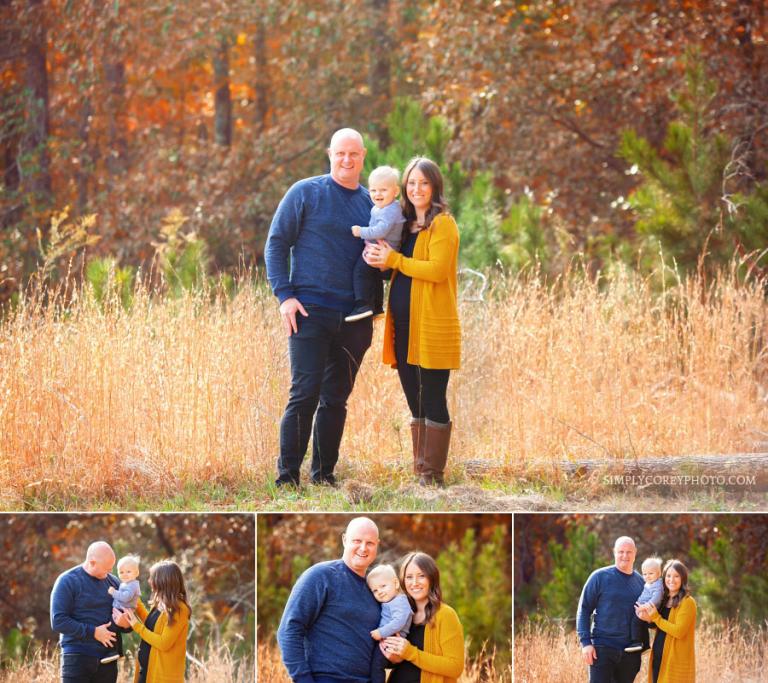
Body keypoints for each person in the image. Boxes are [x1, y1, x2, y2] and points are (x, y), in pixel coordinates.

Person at [265, 127, 374, 488]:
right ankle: (287, 478)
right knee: (304, 394)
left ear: (363, 156)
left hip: (354, 319)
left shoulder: (372, 205)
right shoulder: (306, 192)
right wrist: (285, 296)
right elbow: (277, 244)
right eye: (340, 153)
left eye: (353, 154)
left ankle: (324, 476)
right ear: (330, 154)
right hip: (308, 312)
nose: (346, 160)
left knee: (335, 400)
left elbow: (380, 261)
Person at [364, 157, 461, 486]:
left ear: (435, 187)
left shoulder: (442, 224)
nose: (416, 189)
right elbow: (397, 268)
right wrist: (381, 261)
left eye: (424, 183)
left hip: (432, 325)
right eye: (411, 183)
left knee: (433, 397)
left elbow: (435, 270)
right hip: (404, 326)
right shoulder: (405, 226)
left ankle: (433, 477)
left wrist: (395, 260)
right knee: (413, 397)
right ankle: (420, 471)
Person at [277, 517, 384, 683]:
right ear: (344, 540)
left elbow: (375, 649)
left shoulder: (376, 591)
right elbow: (289, 630)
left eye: (370, 543)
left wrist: (395, 657)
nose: (363, 548)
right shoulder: (321, 576)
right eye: (357, 541)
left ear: (377, 544)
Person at [50, 541, 132, 683]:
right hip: (77, 658)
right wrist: (93, 632)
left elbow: (126, 619)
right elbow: (58, 621)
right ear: (92, 562)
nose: (110, 573)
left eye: (111, 568)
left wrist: (126, 625)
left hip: (108, 660)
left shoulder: (115, 583)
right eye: (106, 569)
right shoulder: (67, 581)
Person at [380, 551, 464, 683]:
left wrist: (410, 653)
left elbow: (455, 667)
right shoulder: (401, 614)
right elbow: (399, 663)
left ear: (432, 578)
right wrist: (393, 658)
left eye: (421, 576)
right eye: (409, 577)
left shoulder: (446, 615)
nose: (414, 582)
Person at [576, 536, 647, 683]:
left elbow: (646, 618)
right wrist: (586, 643)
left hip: (630, 653)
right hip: (602, 649)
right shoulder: (599, 577)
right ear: (614, 552)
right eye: (621, 551)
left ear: (635, 553)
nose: (625, 556)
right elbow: (584, 610)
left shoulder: (641, 583)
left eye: (629, 552)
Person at [346, 165, 405, 322]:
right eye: (373, 190)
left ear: (396, 191)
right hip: (379, 249)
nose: (377, 194)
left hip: (382, 250)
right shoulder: (382, 208)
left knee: (360, 271)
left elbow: (381, 230)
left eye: (383, 190)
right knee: (373, 276)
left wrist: (361, 232)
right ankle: (377, 307)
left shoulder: (390, 210)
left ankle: (362, 305)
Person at [118, 560, 191, 683]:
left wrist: (136, 626)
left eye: (152, 578)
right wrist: (136, 602)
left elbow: (164, 643)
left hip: (162, 678)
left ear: (163, 581)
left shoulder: (179, 609)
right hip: (146, 672)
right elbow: (152, 626)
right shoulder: (161, 604)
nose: (149, 581)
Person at [636, 559, 696, 683]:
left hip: (675, 660)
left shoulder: (687, 602)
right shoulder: (664, 599)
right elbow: (661, 626)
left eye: (676, 576)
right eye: (668, 576)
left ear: (683, 578)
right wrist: (649, 620)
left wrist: (656, 618)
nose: (671, 580)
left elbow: (678, 631)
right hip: (659, 656)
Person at [102, 554, 142, 663]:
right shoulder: (126, 583)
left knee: (110, 628)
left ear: (136, 573)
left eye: (128, 572)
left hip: (123, 611)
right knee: (116, 631)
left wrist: (113, 592)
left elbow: (126, 597)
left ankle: (110, 652)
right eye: (121, 572)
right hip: (120, 609)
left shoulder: (133, 585)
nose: (124, 575)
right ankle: (118, 652)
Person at [626, 557, 664, 652]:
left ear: (659, 574)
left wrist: (645, 606)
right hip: (643, 607)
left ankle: (636, 642)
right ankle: (646, 645)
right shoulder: (649, 583)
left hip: (649, 608)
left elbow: (657, 598)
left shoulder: (658, 585)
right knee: (642, 625)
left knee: (635, 622)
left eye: (651, 573)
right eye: (645, 574)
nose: (647, 576)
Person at [367, 563, 413, 641]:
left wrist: (381, 632)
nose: (379, 592)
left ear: (396, 583)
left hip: (394, 640)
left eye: (383, 586)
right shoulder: (390, 601)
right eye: (375, 590)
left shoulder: (400, 601)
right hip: (386, 638)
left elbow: (399, 621)